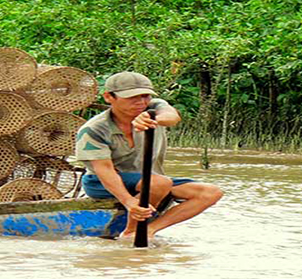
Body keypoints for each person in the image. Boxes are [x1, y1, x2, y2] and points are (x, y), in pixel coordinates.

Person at [75, 71, 223, 241]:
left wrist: (154, 119)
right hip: (101, 183)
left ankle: (149, 230)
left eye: (145, 96)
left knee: (210, 193)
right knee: (158, 183)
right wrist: (129, 202)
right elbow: (104, 170)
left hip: (150, 180)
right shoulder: (94, 129)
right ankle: (131, 231)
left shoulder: (153, 108)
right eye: (132, 97)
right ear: (109, 97)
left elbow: (172, 116)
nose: (141, 102)